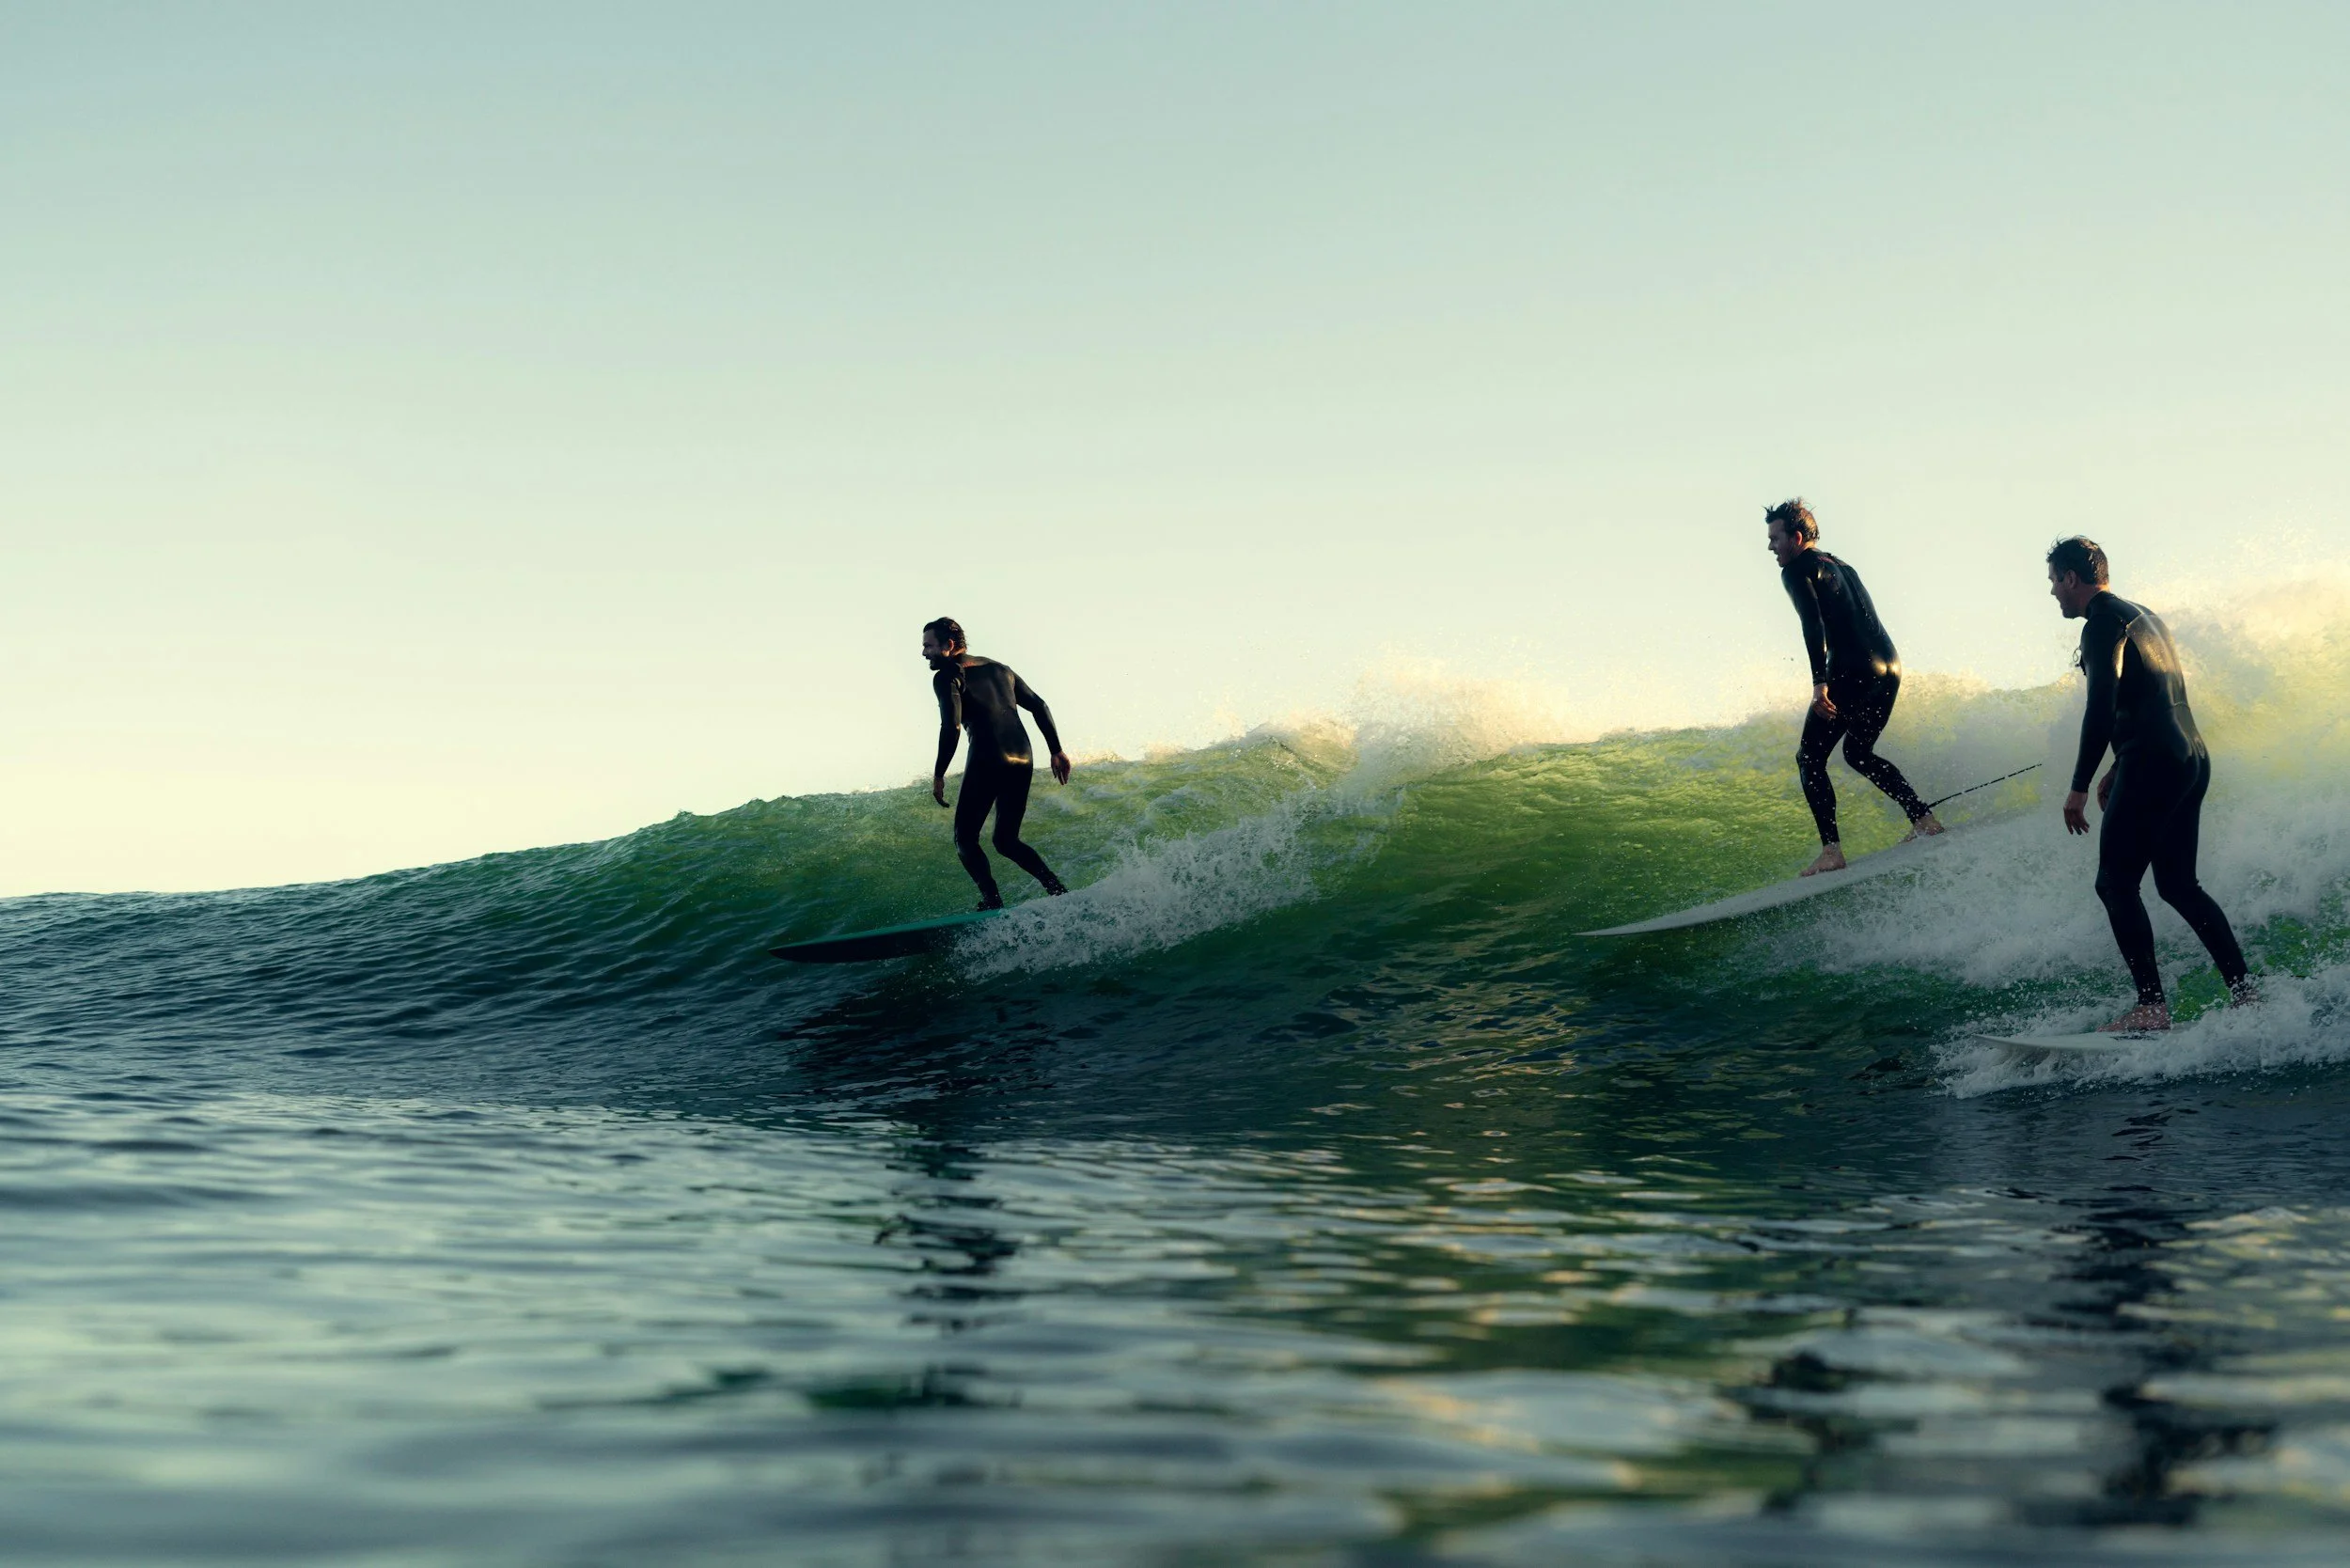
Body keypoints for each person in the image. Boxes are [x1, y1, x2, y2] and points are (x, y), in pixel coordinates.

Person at [2047, 537, 2252, 1031]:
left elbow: (2102, 705)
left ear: (2073, 578)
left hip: (2154, 762)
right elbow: (2152, 694)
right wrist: (2118, 765)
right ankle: (2248, 996)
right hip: (2189, 756)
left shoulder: (2100, 626)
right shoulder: (2143, 616)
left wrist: (2078, 786)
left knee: (2114, 884)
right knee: (2179, 885)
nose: (2053, 592)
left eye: (2055, 581)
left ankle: (2151, 1006)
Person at [1765, 498, 1943, 875]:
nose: (1771, 547)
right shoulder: (1840, 564)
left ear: (1796, 538)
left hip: (1852, 670)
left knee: (1809, 758)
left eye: (1776, 539)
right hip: (1889, 666)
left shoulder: (1798, 569)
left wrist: (1819, 684)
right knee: (1858, 753)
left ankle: (1832, 852)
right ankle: (1923, 819)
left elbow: (1812, 626)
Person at [921, 617, 1072, 910]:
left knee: (964, 838)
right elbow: (1039, 705)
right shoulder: (1001, 669)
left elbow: (951, 727)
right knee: (1006, 840)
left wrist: (939, 774)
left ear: (949, 646)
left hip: (988, 755)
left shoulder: (947, 675)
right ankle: (1057, 891)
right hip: (1023, 757)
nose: (924, 652)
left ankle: (992, 901)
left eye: (929, 646)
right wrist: (1056, 751)